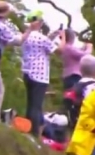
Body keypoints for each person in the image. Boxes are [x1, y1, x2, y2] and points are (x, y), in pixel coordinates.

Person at [21, 9, 63, 138]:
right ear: (38, 22)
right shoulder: (41, 38)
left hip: (28, 72)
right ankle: (33, 133)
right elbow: (59, 51)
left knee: (31, 104)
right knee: (36, 105)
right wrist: (63, 37)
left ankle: (26, 128)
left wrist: (52, 36)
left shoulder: (26, 36)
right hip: (39, 75)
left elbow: (43, 45)